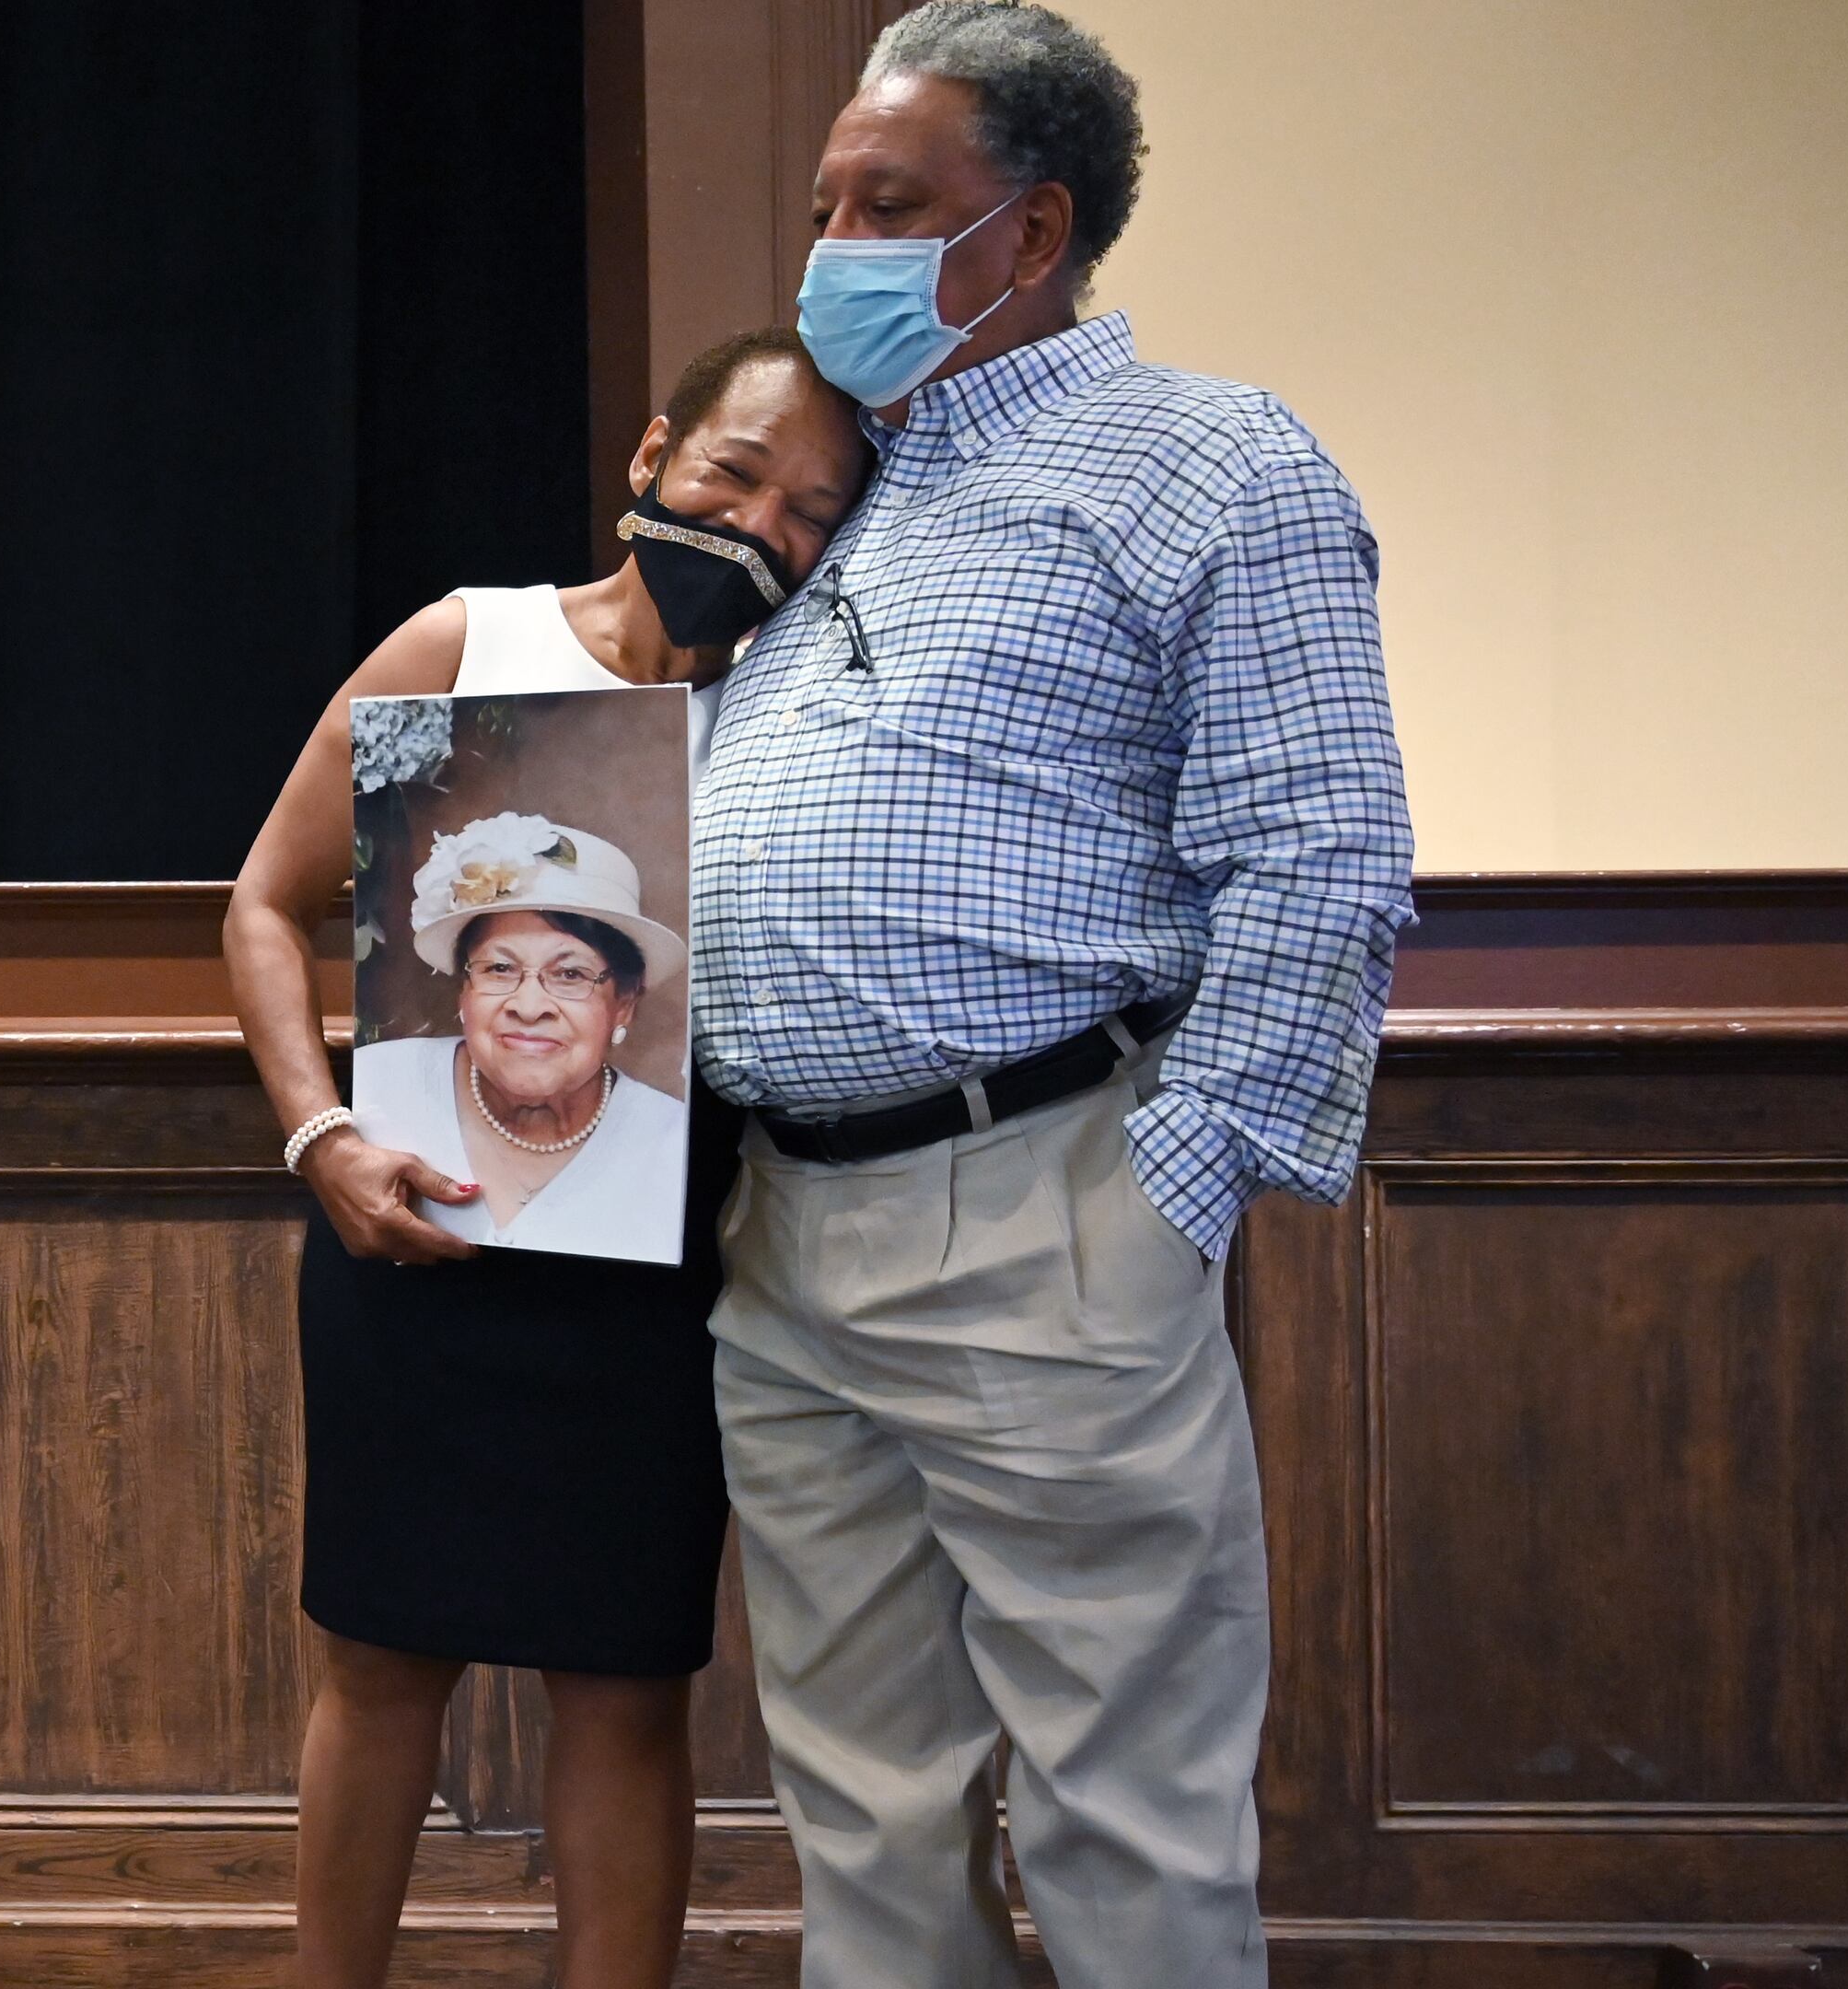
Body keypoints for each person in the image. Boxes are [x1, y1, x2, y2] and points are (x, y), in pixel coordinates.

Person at [693, 6, 1413, 1983]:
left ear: (1033, 232)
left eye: (891, 206)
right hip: (781, 1230)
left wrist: (1158, 1187)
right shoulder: (838, 480)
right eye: (828, 203)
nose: (835, 244)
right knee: (862, 1809)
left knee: (1127, 1805)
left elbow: (1324, 847)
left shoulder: (1206, 460)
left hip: (1043, 1210)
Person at [226, 327, 871, 1989]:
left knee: (625, 1676)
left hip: (661, 1243)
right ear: (651, 458)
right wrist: (322, 1138)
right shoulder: (471, 637)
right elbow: (264, 902)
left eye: (809, 511)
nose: (758, 528)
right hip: (410, 1226)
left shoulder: (807, 706)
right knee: (379, 1657)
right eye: (734, 473)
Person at [348, 820, 689, 1262]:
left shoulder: (672, 1143)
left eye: (570, 974)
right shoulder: (377, 1084)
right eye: (499, 969)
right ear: (464, 991)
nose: (529, 1007)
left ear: (624, 1003)